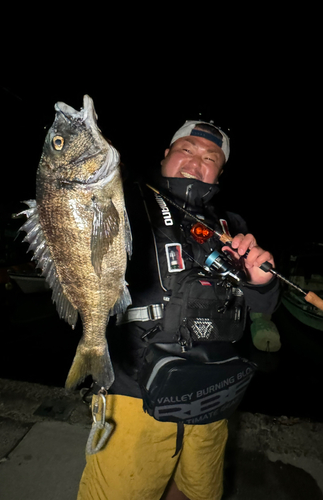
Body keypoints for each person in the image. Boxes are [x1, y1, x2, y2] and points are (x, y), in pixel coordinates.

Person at [77, 119, 279, 500]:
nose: (196, 161)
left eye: (211, 157)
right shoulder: (126, 203)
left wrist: (260, 281)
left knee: (197, 491)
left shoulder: (230, 226)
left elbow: (263, 305)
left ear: (219, 171)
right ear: (166, 154)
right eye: (186, 149)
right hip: (136, 395)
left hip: (213, 393)